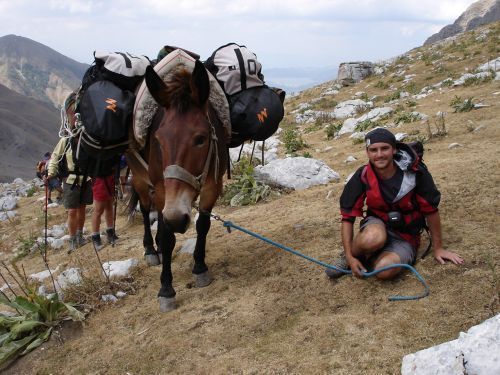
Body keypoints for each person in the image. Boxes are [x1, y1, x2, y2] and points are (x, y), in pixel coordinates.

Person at [326, 128, 463, 280]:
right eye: (373, 150)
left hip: (406, 235)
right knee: (372, 238)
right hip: (376, 224)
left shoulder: (415, 173)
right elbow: (347, 217)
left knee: (384, 272)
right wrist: (350, 257)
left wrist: (438, 248)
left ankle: (374, 258)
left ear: (394, 149)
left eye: (384, 148)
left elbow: (431, 210)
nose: (379, 155)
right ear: (367, 152)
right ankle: (351, 256)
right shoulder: (363, 175)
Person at [46, 138, 92, 253]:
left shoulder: (88, 137)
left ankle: (79, 236)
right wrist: (51, 172)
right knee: (72, 210)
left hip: (86, 178)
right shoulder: (65, 141)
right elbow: (55, 156)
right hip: (70, 180)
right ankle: (72, 240)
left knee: (82, 208)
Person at [90, 172, 119, 250]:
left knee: (109, 206)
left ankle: (110, 232)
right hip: (98, 177)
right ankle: (95, 237)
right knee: (98, 209)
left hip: (110, 176)